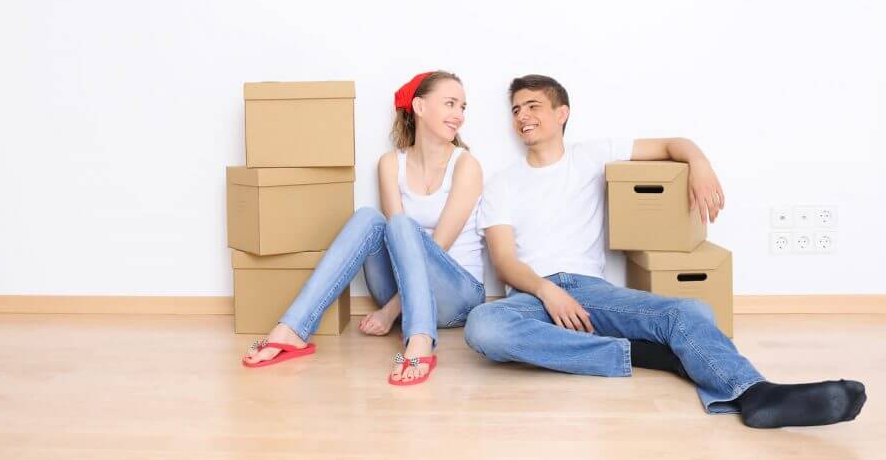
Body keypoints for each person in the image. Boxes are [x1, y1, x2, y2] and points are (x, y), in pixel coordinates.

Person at [463, 74, 866, 427]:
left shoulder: (591, 155)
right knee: (485, 326)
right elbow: (505, 261)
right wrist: (548, 292)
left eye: (533, 106)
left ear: (562, 112)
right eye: (516, 110)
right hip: (533, 296)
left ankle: (754, 395)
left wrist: (701, 164)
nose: (522, 117)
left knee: (690, 311)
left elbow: (675, 143)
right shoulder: (503, 182)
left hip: (591, 293)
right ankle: (643, 355)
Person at [242, 70, 486, 385]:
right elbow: (399, 244)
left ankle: (421, 340)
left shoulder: (466, 165)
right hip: (404, 293)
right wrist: (392, 307)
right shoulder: (390, 164)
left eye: (463, 107)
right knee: (370, 218)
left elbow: (437, 247)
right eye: (450, 104)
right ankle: (292, 329)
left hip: (458, 296)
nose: (458, 115)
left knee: (400, 224)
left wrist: (388, 312)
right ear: (420, 107)